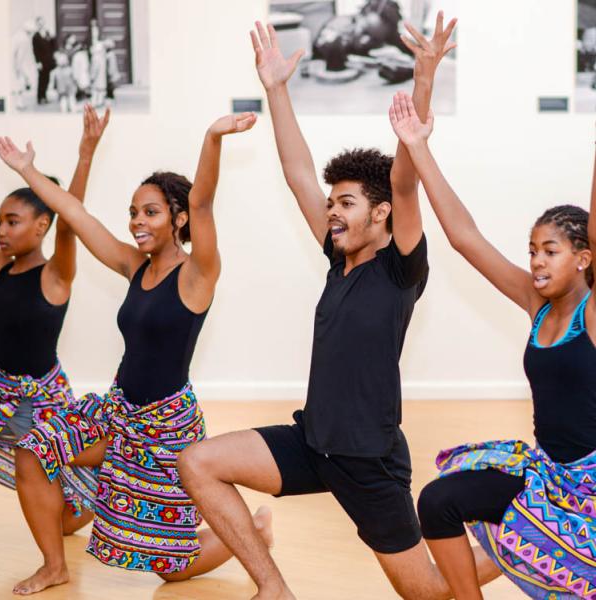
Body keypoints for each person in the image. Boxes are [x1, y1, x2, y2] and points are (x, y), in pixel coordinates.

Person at [178, 16, 498, 600]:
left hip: (368, 461)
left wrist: (423, 78)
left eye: (345, 202)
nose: (331, 211)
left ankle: (516, 543)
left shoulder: (400, 268)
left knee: (426, 590)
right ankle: (275, 588)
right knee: (198, 462)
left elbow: (405, 182)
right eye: (332, 202)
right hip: (313, 442)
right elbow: (298, 172)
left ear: (379, 215)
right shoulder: (337, 259)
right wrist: (275, 88)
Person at [0, 111, 272, 596]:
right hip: (116, 411)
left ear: (178, 218)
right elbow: (78, 218)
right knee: (32, 452)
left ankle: (253, 533)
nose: (137, 222)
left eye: (151, 212)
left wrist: (211, 137)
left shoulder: (197, 274)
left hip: (165, 429)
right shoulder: (132, 264)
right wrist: (28, 173)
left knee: (169, 567)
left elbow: (204, 204)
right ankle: (54, 565)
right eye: (134, 212)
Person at [390, 91, 596, 599]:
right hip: (548, 477)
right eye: (532, 251)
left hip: (590, 494)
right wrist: (417, 146)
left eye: (551, 251)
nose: (537, 262)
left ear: (586, 258)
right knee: (438, 502)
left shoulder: (593, 313)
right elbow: (464, 236)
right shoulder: (537, 302)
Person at [0, 105, 108, 540]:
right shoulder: (2, 267)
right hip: (2, 392)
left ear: (43, 225)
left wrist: (86, 153)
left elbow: (71, 222)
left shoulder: (54, 276)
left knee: (60, 523)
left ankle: (114, 462)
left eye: (12, 221)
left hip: (36, 403)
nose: (1, 230)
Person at [32, 17, 56, 105]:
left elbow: (52, 46)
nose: (41, 25)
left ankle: (44, 96)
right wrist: (38, 62)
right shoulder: (36, 36)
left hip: (48, 61)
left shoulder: (47, 33)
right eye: (39, 23)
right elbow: (35, 51)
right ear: (37, 24)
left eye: (42, 23)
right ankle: (40, 97)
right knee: (41, 79)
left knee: (47, 79)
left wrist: (52, 37)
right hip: (41, 62)